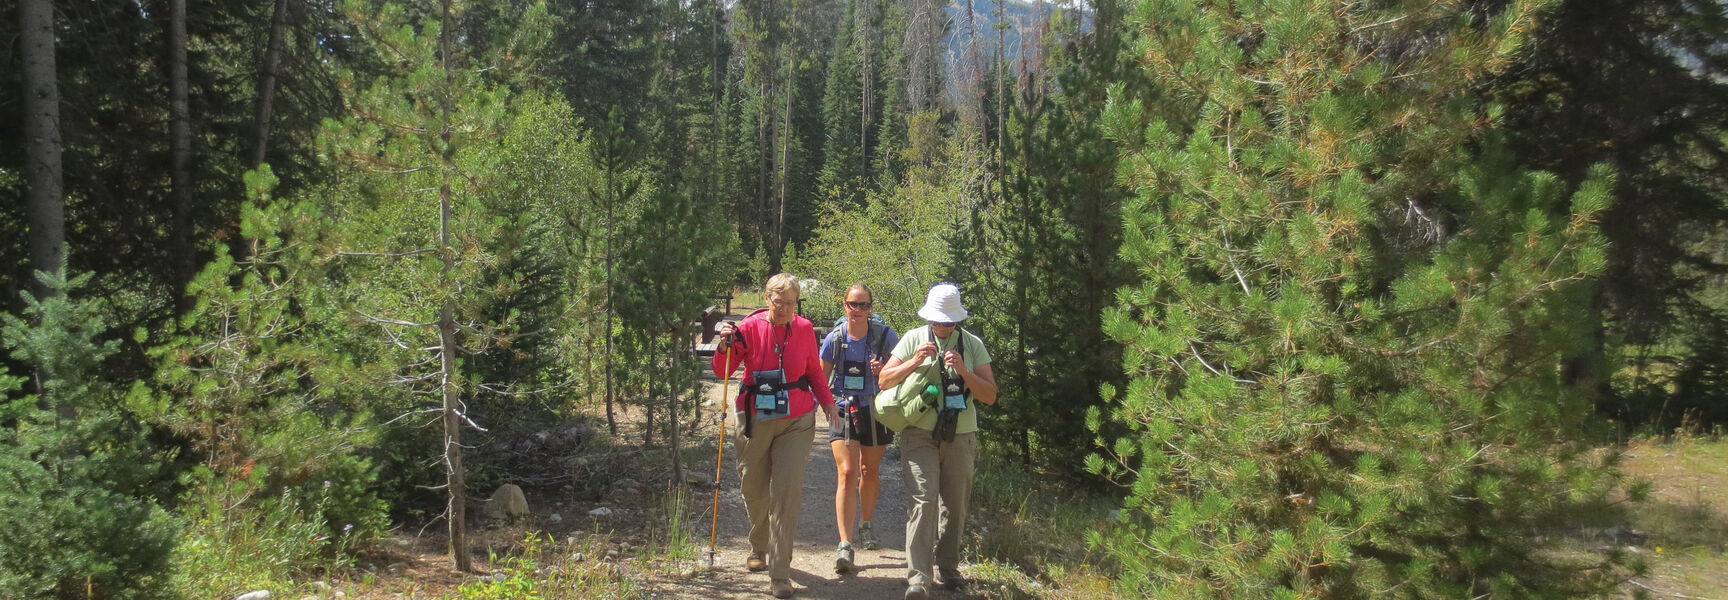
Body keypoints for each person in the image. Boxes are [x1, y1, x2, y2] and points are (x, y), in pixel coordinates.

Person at [713, 273, 838, 599]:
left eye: (789, 303)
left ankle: (780, 573)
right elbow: (721, 370)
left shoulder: (804, 328)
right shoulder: (749, 328)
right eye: (777, 302)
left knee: (786, 494)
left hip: (796, 419)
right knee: (754, 490)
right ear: (767, 299)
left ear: (797, 303)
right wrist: (725, 344)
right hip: (755, 419)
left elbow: (813, 369)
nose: (783, 309)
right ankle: (759, 545)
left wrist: (827, 402)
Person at [876, 283, 997, 600]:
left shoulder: (972, 345)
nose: (942, 327)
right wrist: (914, 362)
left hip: (960, 433)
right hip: (919, 432)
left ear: (957, 320)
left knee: (955, 507)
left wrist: (964, 371)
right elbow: (884, 380)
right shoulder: (914, 338)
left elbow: (990, 395)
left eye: (948, 321)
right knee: (923, 501)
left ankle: (949, 568)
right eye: (937, 321)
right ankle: (918, 577)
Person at [819, 283, 900, 574]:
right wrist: (828, 408)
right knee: (847, 472)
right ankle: (845, 544)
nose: (858, 310)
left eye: (863, 305)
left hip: (875, 409)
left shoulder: (885, 337)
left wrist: (884, 372)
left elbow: (900, 372)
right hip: (843, 409)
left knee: (869, 471)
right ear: (845, 306)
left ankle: (866, 523)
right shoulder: (835, 339)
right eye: (853, 304)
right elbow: (820, 379)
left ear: (871, 307)